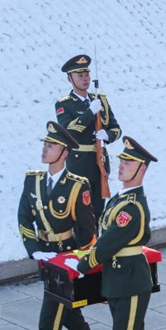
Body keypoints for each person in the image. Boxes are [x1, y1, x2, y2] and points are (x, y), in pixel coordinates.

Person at [69, 137, 166, 330]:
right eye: (122, 161)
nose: (122, 166)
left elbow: (108, 244)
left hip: (131, 284)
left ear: (142, 169)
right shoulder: (119, 199)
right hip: (117, 280)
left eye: (129, 163)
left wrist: (84, 264)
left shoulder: (132, 207)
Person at [6, 122, 98, 330]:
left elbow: (89, 232)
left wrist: (78, 264)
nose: (45, 149)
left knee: (49, 320)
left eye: (50, 145)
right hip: (44, 259)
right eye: (44, 144)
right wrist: (34, 250)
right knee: (70, 314)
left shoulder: (77, 186)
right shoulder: (32, 180)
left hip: (64, 262)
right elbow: (24, 218)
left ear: (64, 151)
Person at [56, 54, 122, 222]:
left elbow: (116, 128)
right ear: (70, 78)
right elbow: (68, 131)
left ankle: (97, 244)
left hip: (99, 162)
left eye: (87, 75)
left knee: (98, 210)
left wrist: (108, 136)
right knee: (81, 211)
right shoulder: (64, 104)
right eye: (80, 75)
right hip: (79, 164)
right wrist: (89, 113)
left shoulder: (100, 100)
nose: (85, 79)